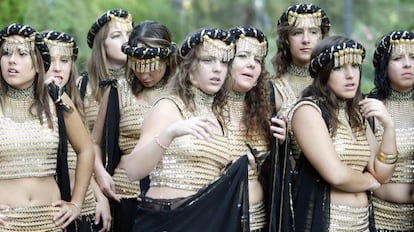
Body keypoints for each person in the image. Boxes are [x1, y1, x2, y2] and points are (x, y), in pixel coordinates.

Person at [125, 28, 249, 232]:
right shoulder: (169, 106)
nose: (218, 69)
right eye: (208, 60)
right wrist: (170, 132)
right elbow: (133, 170)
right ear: (189, 68)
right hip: (167, 220)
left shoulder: (219, 116)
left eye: (224, 62)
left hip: (207, 221)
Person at [289, 35, 397, 231]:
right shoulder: (308, 110)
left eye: (355, 66)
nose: (351, 75)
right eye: (339, 68)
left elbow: (381, 174)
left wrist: (389, 127)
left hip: (361, 222)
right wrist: (369, 183)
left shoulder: (355, 114)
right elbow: (336, 174)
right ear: (324, 73)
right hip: (328, 223)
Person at [0, 23, 94, 231]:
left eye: (22, 54)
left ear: (38, 65)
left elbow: (86, 150)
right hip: (6, 222)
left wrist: (76, 203)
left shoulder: (56, 98)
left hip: (50, 221)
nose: (12, 60)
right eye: (6, 53)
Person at [91, 20, 177, 232]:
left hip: (171, 197)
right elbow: (93, 142)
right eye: (138, 68)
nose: (145, 75)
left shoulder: (183, 93)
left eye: (152, 68)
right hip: (125, 194)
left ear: (166, 59)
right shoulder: (117, 90)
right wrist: (100, 172)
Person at [42, 30, 111, 232]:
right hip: (51, 211)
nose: (57, 68)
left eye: (64, 60)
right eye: (50, 60)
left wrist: (100, 198)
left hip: (84, 207)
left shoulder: (74, 102)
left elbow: (83, 157)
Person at [226, 26, 288, 231]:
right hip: (221, 220)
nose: (252, 64)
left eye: (258, 60)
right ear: (224, 61)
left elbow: (273, 175)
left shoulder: (262, 112)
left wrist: (281, 144)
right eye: (242, 56)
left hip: (261, 221)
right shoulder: (202, 109)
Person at [368, 30, 414, 231]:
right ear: (383, 67)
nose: (407, 64)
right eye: (397, 58)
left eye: (413, 57)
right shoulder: (369, 109)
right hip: (379, 219)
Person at [271, 3, 331, 116]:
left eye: (313, 32)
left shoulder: (335, 83)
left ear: (322, 37)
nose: (306, 40)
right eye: (297, 33)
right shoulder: (274, 89)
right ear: (286, 40)